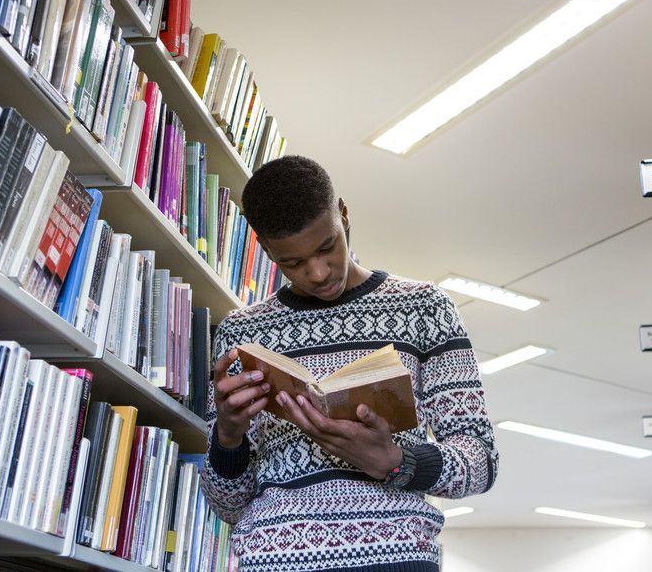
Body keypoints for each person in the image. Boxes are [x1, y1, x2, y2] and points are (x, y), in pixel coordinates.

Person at [202, 155, 499, 572]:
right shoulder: (239, 335)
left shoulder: (425, 309)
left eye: (328, 246)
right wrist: (229, 436)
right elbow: (228, 506)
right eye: (293, 262)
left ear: (342, 213)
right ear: (266, 249)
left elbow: (481, 461)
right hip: (274, 560)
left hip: (395, 557)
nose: (319, 272)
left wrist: (396, 460)